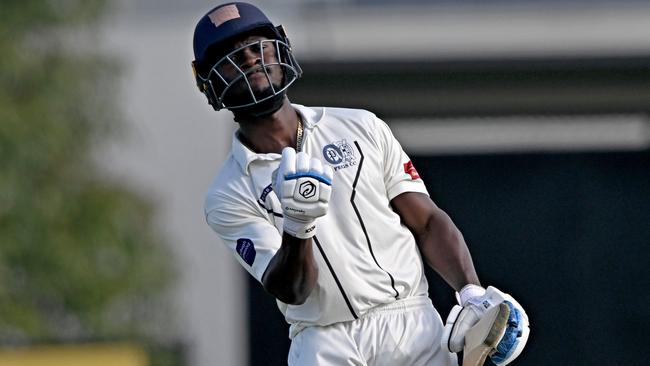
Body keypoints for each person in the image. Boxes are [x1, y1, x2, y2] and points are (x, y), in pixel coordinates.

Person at [192, 2, 529, 365]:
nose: (250, 61)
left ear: (280, 48)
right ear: (208, 81)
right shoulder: (227, 194)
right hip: (323, 344)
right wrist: (298, 225)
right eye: (232, 56)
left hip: (411, 325)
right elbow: (292, 290)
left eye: (258, 46)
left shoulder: (360, 127)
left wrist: (471, 291)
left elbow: (427, 220)